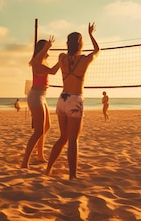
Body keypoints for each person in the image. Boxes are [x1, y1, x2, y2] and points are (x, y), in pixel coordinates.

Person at [46, 23, 100, 179]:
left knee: (63, 137)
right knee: (73, 140)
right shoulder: (84, 59)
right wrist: (91, 34)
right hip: (75, 99)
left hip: (62, 99)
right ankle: (72, 175)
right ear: (81, 44)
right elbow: (97, 50)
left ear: (67, 44)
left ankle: (48, 169)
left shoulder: (61, 57)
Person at [21, 36, 60, 169]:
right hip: (35, 96)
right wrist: (48, 47)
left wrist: (61, 60)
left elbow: (53, 70)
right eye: (45, 49)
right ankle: (25, 162)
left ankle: (40, 155)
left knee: (46, 127)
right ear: (41, 50)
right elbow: (52, 71)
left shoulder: (42, 61)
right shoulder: (36, 62)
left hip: (42, 96)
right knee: (38, 131)